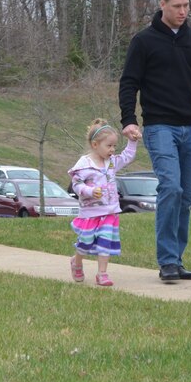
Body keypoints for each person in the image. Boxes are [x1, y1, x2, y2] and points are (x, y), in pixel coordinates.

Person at [118, 0, 191, 283]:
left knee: (186, 195)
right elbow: (129, 83)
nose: (182, 11)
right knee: (171, 188)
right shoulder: (144, 41)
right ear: (162, 4)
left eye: (186, 5)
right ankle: (166, 261)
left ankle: (176, 259)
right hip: (159, 126)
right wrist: (129, 120)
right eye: (176, 5)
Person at [67, 120, 138, 287]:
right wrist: (90, 191)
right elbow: (76, 185)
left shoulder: (111, 162)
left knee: (105, 241)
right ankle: (76, 262)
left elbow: (127, 156)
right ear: (95, 144)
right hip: (90, 213)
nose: (113, 150)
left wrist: (133, 141)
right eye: (109, 146)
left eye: (114, 146)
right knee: (85, 243)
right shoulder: (84, 164)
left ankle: (102, 273)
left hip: (109, 211)